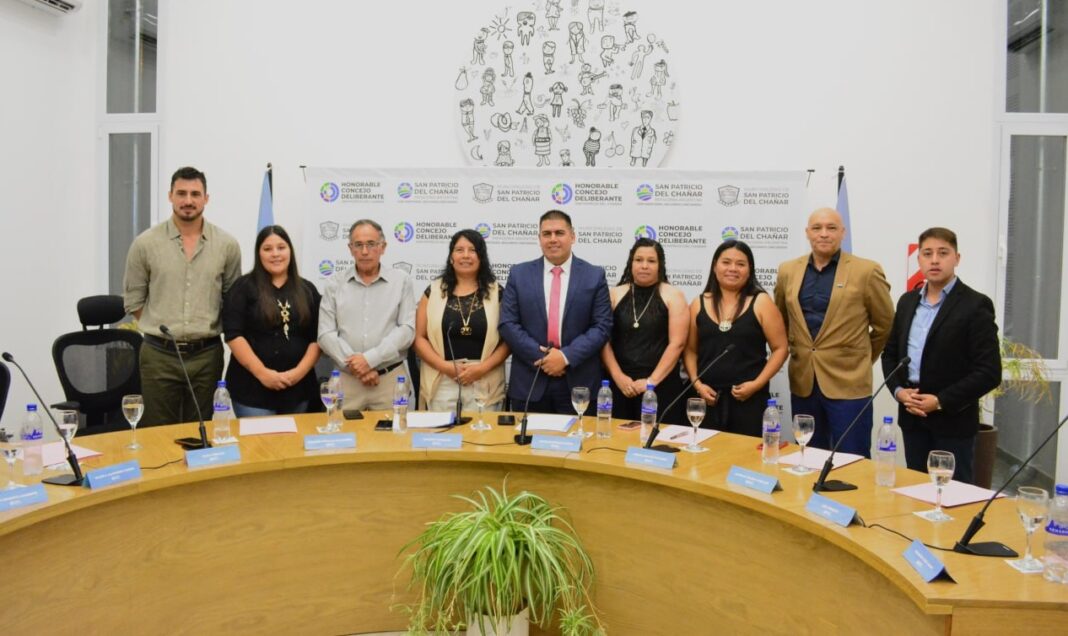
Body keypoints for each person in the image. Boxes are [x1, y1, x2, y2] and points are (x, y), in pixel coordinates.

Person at [123, 166, 242, 426]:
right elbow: (134, 301)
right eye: (181, 193)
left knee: (200, 430)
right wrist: (166, 327)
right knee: (157, 432)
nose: (188, 200)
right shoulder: (145, 244)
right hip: (159, 355)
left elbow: (232, 302)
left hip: (206, 356)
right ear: (170, 196)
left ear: (206, 198)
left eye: (195, 194)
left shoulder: (227, 245)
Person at [881, 227, 1000, 484]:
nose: (934, 260)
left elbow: (989, 372)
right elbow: (890, 355)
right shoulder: (907, 302)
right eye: (927, 254)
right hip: (912, 416)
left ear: (957, 258)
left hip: (952, 420)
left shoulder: (975, 304)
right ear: (919, 259)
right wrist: (899, 392)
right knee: (915, 489)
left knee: (952, 494)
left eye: (943, 253)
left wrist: (940, 401)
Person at [774, 207, 894, 456]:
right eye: (817, 228)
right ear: (807, 232)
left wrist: (860, 358)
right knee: (807, 456)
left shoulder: (866, 271)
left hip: (849, 383)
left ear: (842, 232)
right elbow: (781, 321)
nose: (824, 234)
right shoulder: (788, 270)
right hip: (804, 382)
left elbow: (885, 326)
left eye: (831, 228)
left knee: (852, 459)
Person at [499, 210, 613, 415]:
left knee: (579, 437)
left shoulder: (594, 275)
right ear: (539, 238)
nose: (553, 239)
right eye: (547, 234)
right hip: (530, 381)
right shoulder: (519, 274)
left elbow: (602, 326)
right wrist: (544, 358)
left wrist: (565, 357)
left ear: (573, 236)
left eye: (559, 233)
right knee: (527, 437)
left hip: (579, 383)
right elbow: (508, 324)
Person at [685, 240, 788, 437]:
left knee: (746, 454)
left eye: (740, 264)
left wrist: (757, 384)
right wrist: (697, 384)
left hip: (749, 400)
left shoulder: (761, 302)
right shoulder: (698, 303)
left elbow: (781, 348)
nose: (733, 268)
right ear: (715, 266)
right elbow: (690, 350)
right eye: (726, 262)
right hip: (707, 399)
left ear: (750, 270)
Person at [222, 225, 322, 417]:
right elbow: (234, 335)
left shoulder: (307, 290)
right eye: (267, 249)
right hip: (252, 390)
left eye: (281, 247)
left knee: (293, 438)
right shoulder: (242, 287)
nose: (275, 254)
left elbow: (317, 338)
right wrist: (263, 374)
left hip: (298, 389)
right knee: (260, 438)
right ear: (258, 253)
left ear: (290, 251)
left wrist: (297, 374)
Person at [318, 220, 416, 410]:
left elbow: (407, 330)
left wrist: (371, 359)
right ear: (350, 249)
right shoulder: (334, 284)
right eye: (358, 245)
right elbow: (325, 334)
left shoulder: (401, 281)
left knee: (393, 430)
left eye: (371, 244)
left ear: (383, 247)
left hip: (389, 381)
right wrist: (358, 367)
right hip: (346, 381)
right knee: (339, 429)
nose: (364, 251)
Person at [413, 229, 510, 411]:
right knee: (442, 430)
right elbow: (419, 338)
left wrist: (482, 369)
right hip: (442, 380)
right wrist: (446, 367)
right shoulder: (433, 291)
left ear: (481, 257)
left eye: (472, 250)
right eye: (459, 250)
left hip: (484, 380)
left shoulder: (498, 293)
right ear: (451, 257)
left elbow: (508, 340)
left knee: (482, 429)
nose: (466, 255)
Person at [601, 239, 688, 424]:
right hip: (619, 385)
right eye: (639, 260)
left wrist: (650, 382)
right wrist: (618, 377)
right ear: (631, 263)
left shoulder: (674, 295)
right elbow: (603, 340)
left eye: (651, 261)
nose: (644, 266)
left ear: (660, 265)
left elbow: (677, 344)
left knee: (659, 439)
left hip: (661, 385)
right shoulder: (614, 294)